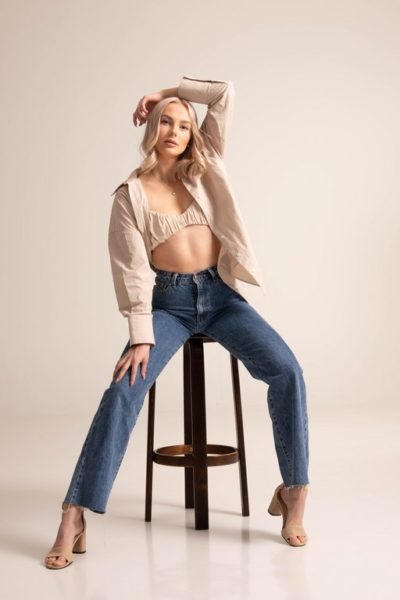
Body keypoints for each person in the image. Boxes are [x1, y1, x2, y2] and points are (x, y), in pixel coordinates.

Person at [44, 75, 310, 569]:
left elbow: (224, 93)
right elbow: (130, 270)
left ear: (193, 134)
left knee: (287, 370)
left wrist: (164, 90)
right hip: (168, 305)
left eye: (184, 124)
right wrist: (140, 337)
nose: (175, 131)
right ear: (151, 129)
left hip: (222, 297)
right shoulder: (130, 194)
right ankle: (74, 513)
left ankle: (293, 492)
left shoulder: (206, 164)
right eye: (165, 121)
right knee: (122, 391)